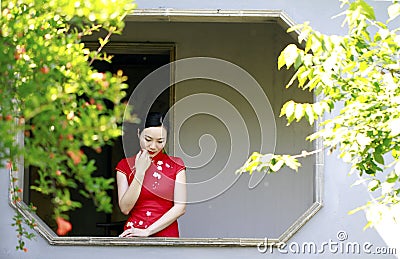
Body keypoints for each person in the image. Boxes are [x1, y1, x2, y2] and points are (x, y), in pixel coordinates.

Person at [116, 112, 186, 237]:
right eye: (148, 140)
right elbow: (125, 208)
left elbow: (180, 207)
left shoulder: (176, 165)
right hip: (133, 234)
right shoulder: (124, 165)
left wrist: (148, 231)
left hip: (166, 236)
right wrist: (140, 172)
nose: (153, 146)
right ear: (138, 133)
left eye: (160, 141)